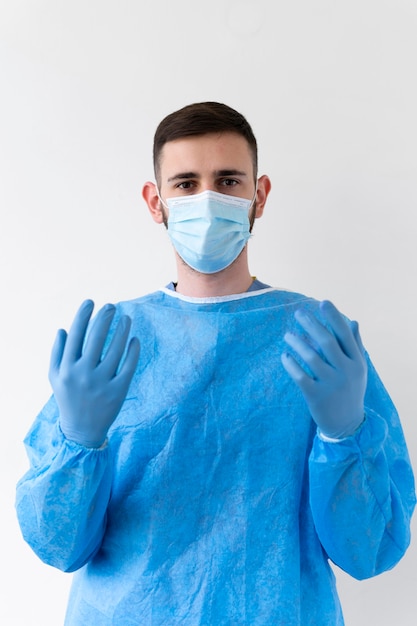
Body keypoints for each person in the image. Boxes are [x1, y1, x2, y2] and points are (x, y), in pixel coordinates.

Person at [16, 102, 415, 625]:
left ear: (260, 194)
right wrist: (77, 442)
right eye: (185, 183)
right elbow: (59, 547)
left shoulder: (321, 342)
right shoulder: (111, 345)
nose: (208, 199)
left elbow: (368, 553)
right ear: (155, 202)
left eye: (228, 181)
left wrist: (345, 436)